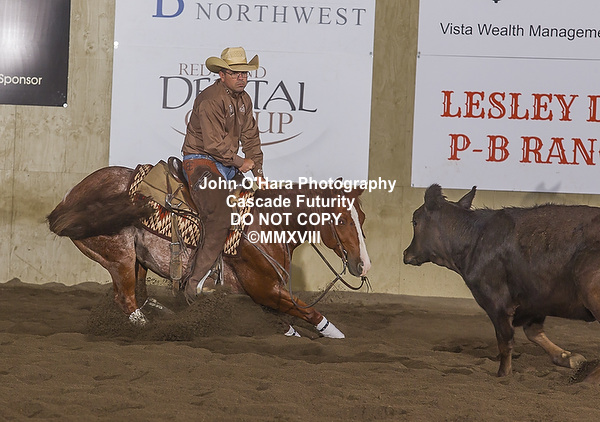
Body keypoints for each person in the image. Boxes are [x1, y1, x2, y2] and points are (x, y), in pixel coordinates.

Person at [181, 46, 265, 301]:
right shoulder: (210, 100)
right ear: (222, 74)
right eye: (235, 73)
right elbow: (213, 145)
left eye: (245, 73)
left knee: (255, 208)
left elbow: (251, 137)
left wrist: (259, 172)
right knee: (220, 217)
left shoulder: (244, 100)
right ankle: (194, 283)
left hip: (226, 164)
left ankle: (235, 274)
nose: (242, 77)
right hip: (200, 161)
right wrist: (241, 162)